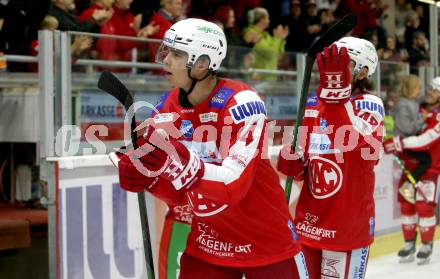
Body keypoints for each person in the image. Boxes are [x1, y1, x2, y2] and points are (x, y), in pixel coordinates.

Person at [113, 18, 308, 278]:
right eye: (166, 51)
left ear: (203, 63)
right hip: (209, 243)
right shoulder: (165, 109)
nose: (166, 61)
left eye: (177, 54)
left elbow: (232, 185)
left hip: (267, 242)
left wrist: (177, 162)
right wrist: (146, 177)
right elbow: (177, 194)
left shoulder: (242, 101)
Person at [277, 37, 384, 279]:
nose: (332, 72)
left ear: (362, 71)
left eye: (343, 64)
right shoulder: (314, 102)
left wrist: (335, 97)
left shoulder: (370, 104)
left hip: (347, 224)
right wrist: (293, 161)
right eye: (330, 65)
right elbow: (306, 156)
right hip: (309, 223)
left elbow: (352, 142)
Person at [383, 77, 440, 265]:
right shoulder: (419, 108)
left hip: (430, 168)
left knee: (424, 206)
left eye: (435, 90)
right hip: (410, 166)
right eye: (430, 88)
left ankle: (426, 245)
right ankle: (409, 244)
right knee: (407, 205)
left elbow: (426, 140)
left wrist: (398, 143)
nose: (430, 92)